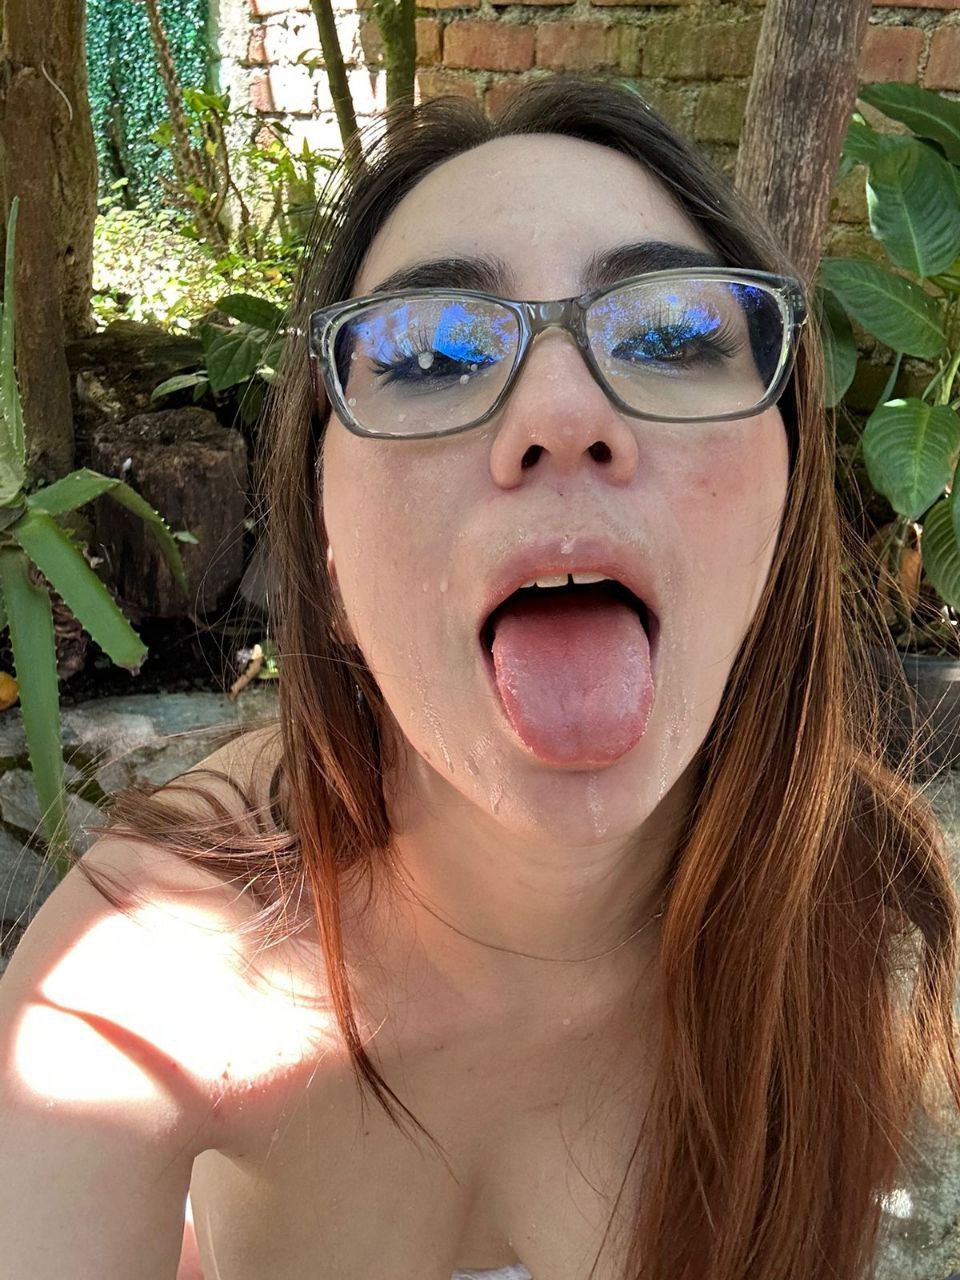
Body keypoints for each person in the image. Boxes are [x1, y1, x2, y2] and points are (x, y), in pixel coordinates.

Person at [1, 72, 958, 1280]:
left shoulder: (872, 910)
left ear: (783, 492)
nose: (560, 412)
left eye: (671, 334)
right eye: (429, 354)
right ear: (327, 539)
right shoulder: (143, 979)